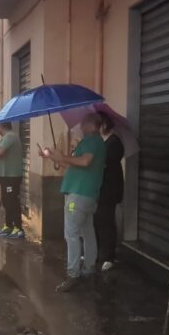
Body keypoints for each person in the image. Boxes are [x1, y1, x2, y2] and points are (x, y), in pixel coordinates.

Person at [42, 113, 106, 292]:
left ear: (92, 125)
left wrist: (62, 156)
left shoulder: (93, 140)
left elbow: (85, 161)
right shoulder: (91, 142)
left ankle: (73, 274)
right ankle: (89, 267)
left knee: (71, 234)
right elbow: (73, 165)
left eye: (83, 123)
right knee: (87, 231)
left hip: (77, 196)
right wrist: (54, 156)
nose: (81, 126)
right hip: (86, 195)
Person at [94, 113, 125, 272]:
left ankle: (109, 257)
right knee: (97, 220)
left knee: (107, 221)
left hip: (110, 188)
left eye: (98, 124)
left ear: (105, 124)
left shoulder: (114, 142)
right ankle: (98, 252)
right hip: (100, 187)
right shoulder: (101, 141)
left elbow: (107, 163)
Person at [0, 122, 24, 239]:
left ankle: (18, 228)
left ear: (1, 127)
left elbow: (0, 152)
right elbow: (0, 151)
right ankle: (8, 226)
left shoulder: (10, 136)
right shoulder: (8, 138)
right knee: (6, 201)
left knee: (12, 201)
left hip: (11, 176)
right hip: (6, 176)